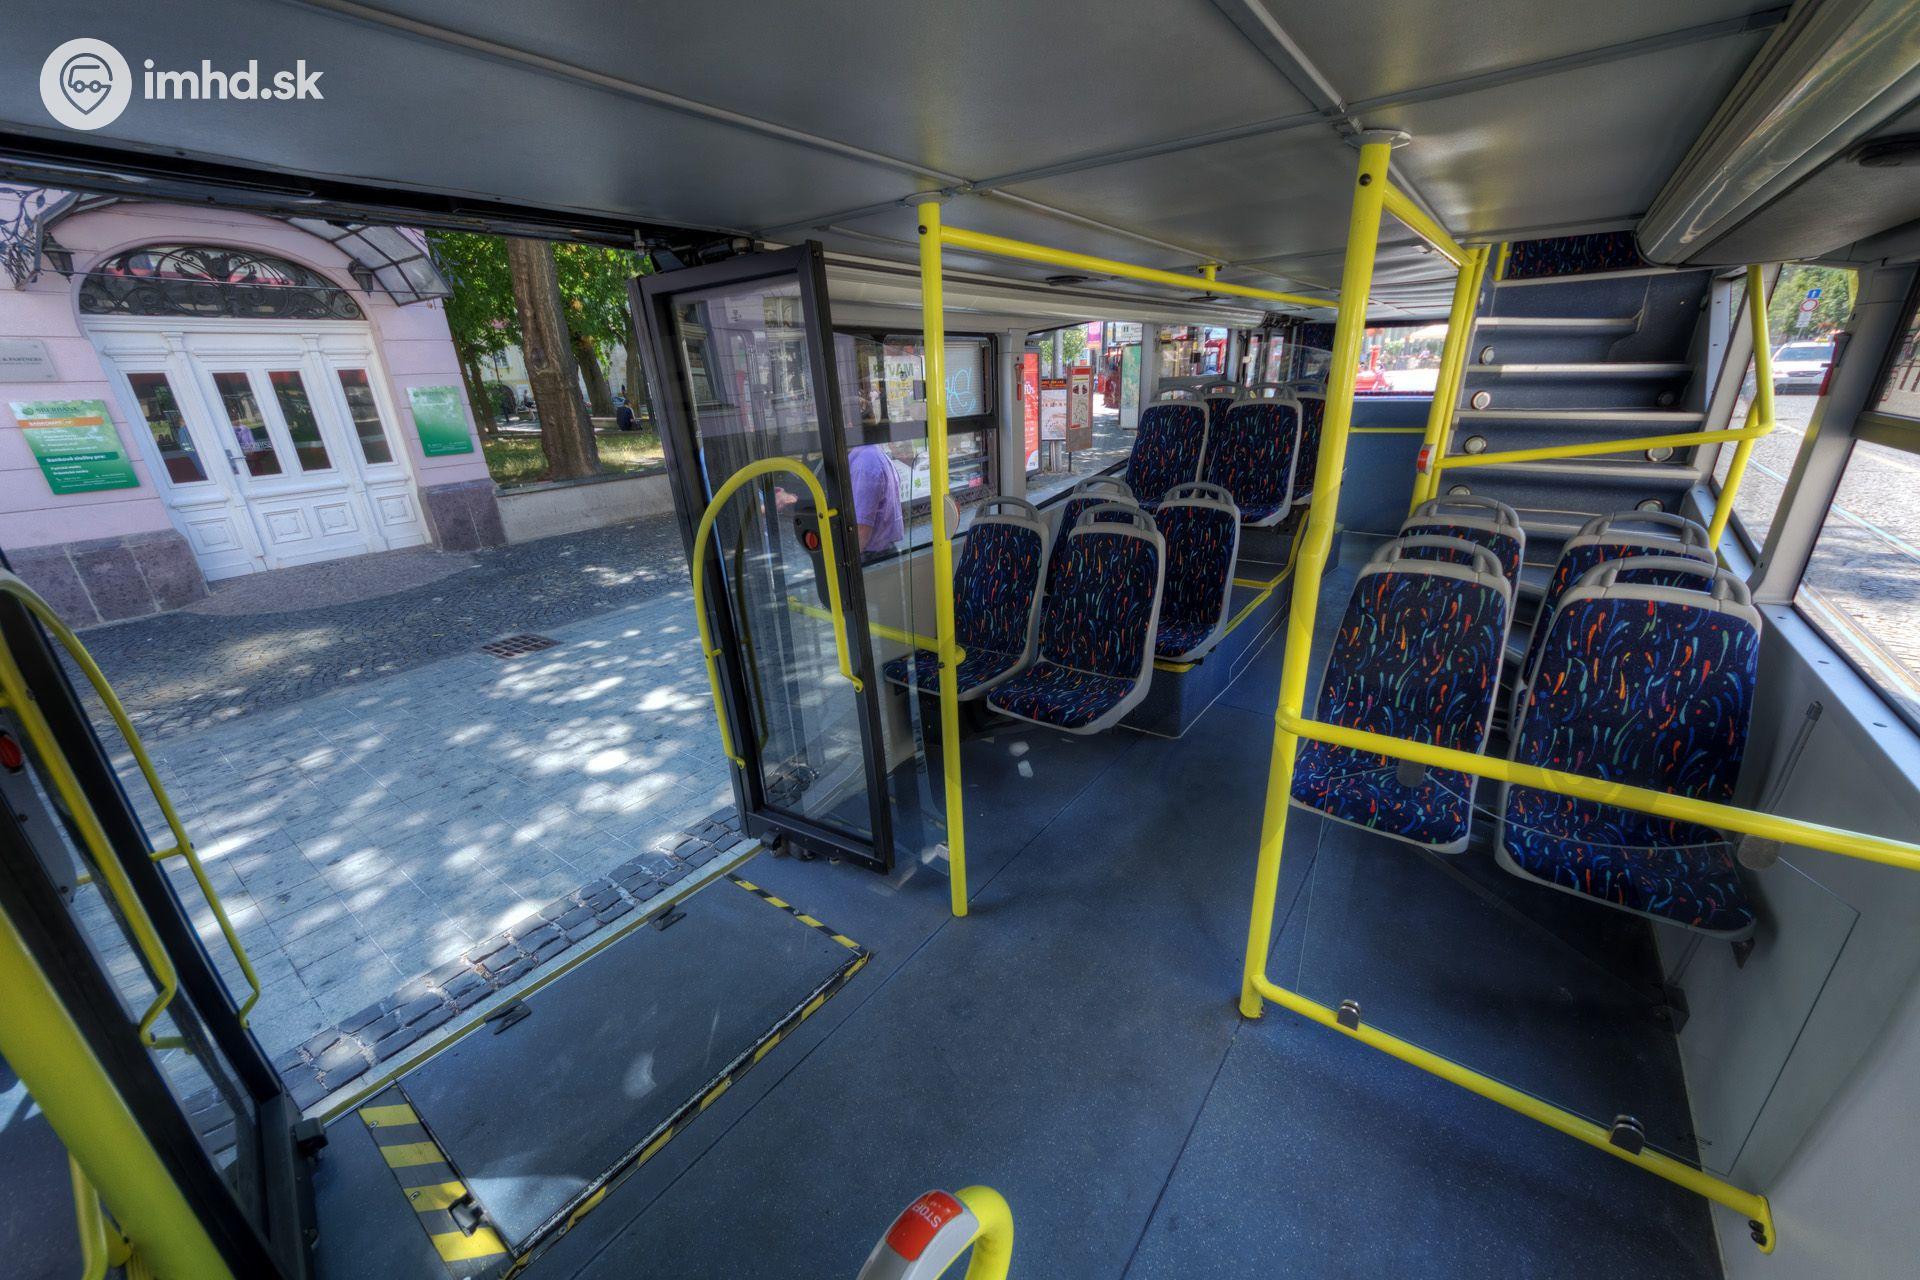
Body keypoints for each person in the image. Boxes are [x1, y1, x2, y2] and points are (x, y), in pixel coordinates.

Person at [847, 443, 904, 560]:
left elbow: (862, 528)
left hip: (870, 556)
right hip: (883, 552)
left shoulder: (864, 464)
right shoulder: (874, 454)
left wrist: (848, 561)